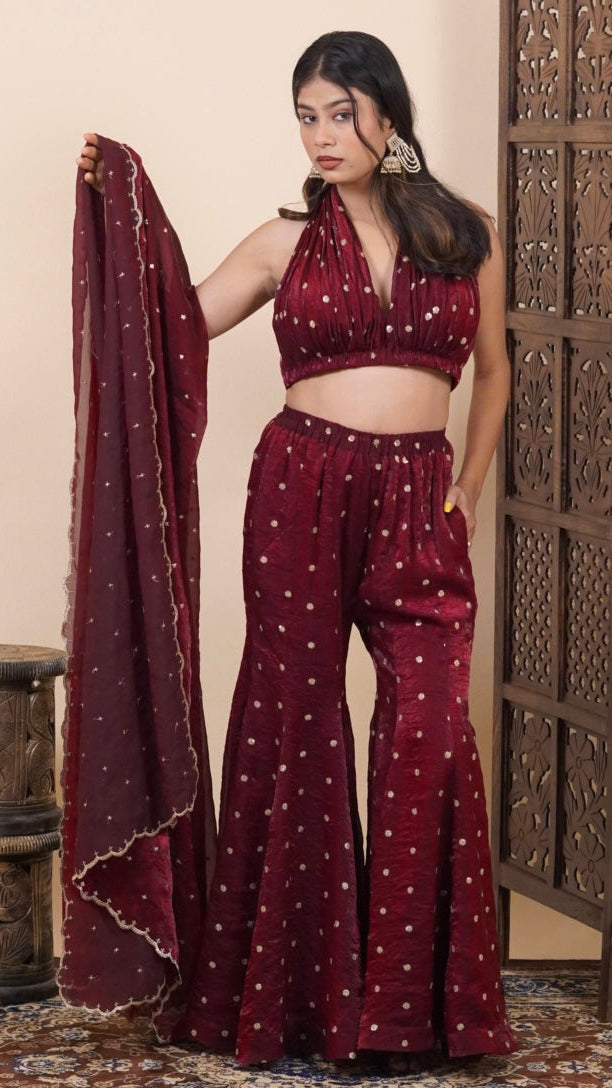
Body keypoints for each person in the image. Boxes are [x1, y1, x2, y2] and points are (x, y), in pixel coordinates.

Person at [77, 29, 514, 1074]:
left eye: (341, 113)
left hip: (419, 497)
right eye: (307, 117)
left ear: (388, 116)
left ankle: (408, 1015)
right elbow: (172, 321)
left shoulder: (469, 235)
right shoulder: (284, 242)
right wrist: (124, 200)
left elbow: (496, 371)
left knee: (427, 730)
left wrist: (465, 490)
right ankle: (294, 1009)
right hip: (300, 492)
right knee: (296, 723)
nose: (322, 135)